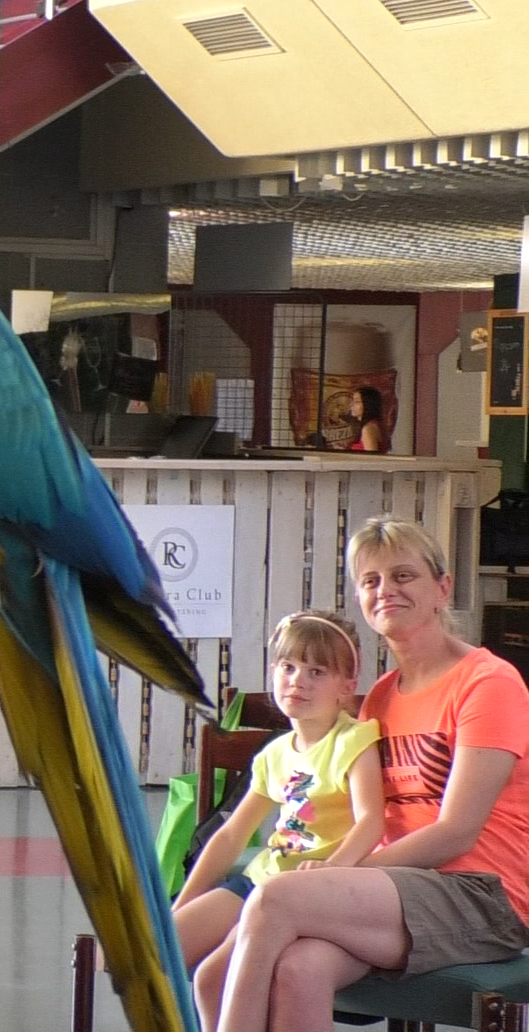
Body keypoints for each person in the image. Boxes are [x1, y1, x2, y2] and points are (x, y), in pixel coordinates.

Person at [199, 517, 529, 1032]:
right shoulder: (381, 696)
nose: (386, 591)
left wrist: (339, 872)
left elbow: (455, 831)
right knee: (285, 969)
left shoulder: (488, 683)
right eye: (371, 581)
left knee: (276, 898)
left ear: (442, 589)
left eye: (403, 576)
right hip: (395, 888)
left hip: (480, 895)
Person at [171, 611, 381, 1025]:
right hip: (259, 879)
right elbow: (233, 834)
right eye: (288, 667)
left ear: (347, 687)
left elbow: (372, 820)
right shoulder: (274, 753)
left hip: (305, 889)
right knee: (163, 945)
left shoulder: (353, 740)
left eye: (316, 671)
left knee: (213, 978)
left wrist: (332, 869)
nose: (298, 680)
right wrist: (183, 902)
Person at [348, 387, 386, 453]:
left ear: (368, 404)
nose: (351, 405)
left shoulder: (368, 429)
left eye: (357, 402)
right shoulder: (372, 425)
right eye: (352, 401)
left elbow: (371, 459)